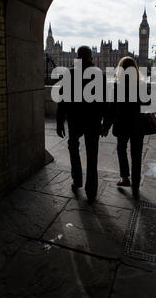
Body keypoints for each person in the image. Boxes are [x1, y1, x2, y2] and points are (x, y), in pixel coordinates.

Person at [56, 46, 106, 203]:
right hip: (93, 120)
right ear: (91, 58)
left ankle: (77, 180)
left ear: (77, 58)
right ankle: (91, 191)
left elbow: (62, 101)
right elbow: (106, 101)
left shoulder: (69, 73)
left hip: (74, 119)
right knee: (92, 155)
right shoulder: (99, 74)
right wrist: (106, 123)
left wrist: (59, 122)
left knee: (73, 147)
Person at [101, 56, 145, 198]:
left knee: (121, 150)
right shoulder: (142, 85)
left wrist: (106, 126)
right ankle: (136, 184)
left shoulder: (117, 86)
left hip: (122, 124)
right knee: (136, 154)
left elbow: (111, 110)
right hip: (138, 125)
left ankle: (125, 177)